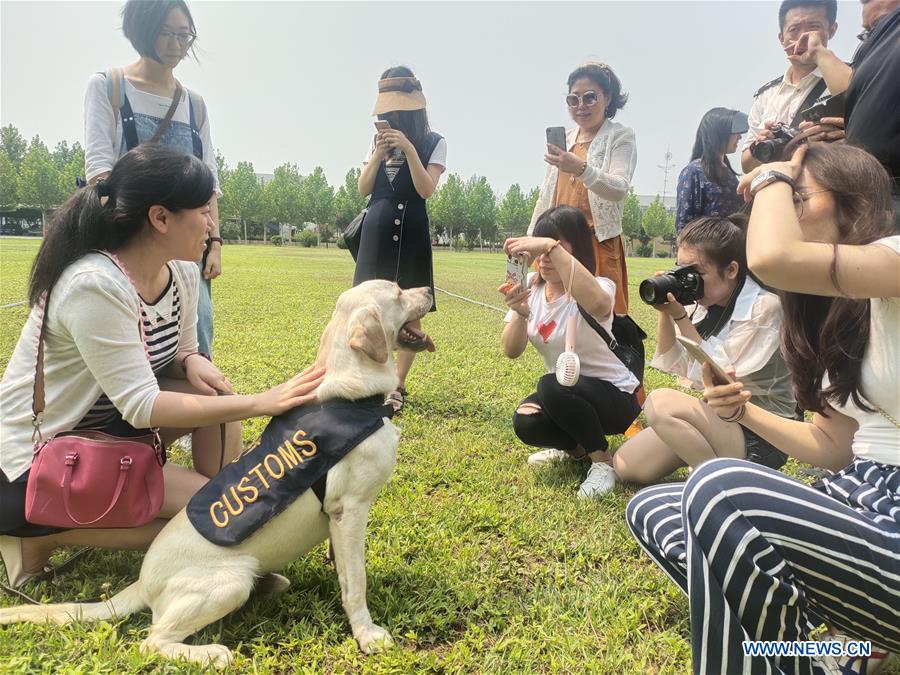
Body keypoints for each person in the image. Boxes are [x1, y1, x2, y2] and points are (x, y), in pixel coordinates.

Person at [627, 142, 900, 674]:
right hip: (855, 496)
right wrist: (743, 411)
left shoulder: (897, 254)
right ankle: (833, 654)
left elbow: (773, 257)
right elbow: (832, 447)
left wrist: (771, 171)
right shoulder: (833, 316)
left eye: (799, 195)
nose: (780, 206)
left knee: (717, 488)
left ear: (851, 204)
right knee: (656, 508)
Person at [0, 146, 324, 590]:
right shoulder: (94, 284)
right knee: (214, 508)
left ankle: (218, 544)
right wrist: (258, 403)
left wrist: (193, 362)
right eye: (203, 210)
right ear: (160, 218)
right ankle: (38, 534)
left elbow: (181, 352)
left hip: (107, 433)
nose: (212, 224)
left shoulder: (183, 274)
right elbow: (141, 405)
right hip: (41, 461)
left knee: (218, 457)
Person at [613, 215, 796, 492]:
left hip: (762, 433)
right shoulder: (702, 303)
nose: (688, 280)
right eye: (681, 270)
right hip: (720, 422)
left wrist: (681, 320)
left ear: (732, 270)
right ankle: (711, 467)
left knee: (660, 403)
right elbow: (671, 361)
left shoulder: (764, 309)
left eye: (696, 272)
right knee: (628, 465)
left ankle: (720, 488)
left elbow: (718, 376)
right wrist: (667, 311)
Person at [83, 0, 221, 355]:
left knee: (194, 347)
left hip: (186, 247)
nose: (177, 44)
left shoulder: (196, 105)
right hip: (129, 246)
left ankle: (198, 407)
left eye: (184, 34)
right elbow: (100, 170)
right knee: (130, 344)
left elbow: (209, 183)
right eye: (166, 33)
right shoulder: (109, 87)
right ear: (142, 30)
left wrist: (214, 242)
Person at [500, 206, 641, 500]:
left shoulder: (599, 285)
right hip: (566, 394)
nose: (543, 257)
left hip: (615, 397)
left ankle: (602, 463)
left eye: (553, 247)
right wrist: (521, 314)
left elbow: (601, 306)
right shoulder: (530, 288)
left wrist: (548, 245)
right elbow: (511, 350)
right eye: (539, 247)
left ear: (575, 249)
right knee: (526, 420)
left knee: (550, 385)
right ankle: (577, 450)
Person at [354, 66, 446, 412]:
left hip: (412, 229)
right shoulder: (376, 143)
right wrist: (378, 154)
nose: (391, 117)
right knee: (368, 306)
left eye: (397, 111)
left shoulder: (435, 142)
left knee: (409, 309)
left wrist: (409, 150)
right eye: (386, 112)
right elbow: (364, 188)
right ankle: (370, 379)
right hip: (376, 228)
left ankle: (397, 384)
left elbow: (427, 189)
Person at [529, 62, 636, 315]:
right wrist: (530, 239)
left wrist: (580, 168)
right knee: (555, 315)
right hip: (558, 245)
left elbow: (619, 188)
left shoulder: (620, 136)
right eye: (573, 98)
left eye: (590, 97)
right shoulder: (565, 139)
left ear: (607, 98)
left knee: (602, 321)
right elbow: (546, 197)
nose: (581, 105)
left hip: (597, 244)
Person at [741, 0, 840, 173]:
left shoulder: (851, 79)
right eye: (794, 30)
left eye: (813, 27)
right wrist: (760, 146)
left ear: (832, 30)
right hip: (777, 194)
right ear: (782, 38)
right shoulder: (766, 95)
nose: (803, 38)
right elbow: (746, 165)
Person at [674, 109, 748, 234]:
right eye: (734, 132)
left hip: (732, 250)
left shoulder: (730, 175)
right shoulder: (694, 172)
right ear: (719, 134)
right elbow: (684, 226)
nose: (740, 137)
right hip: (705, 252)